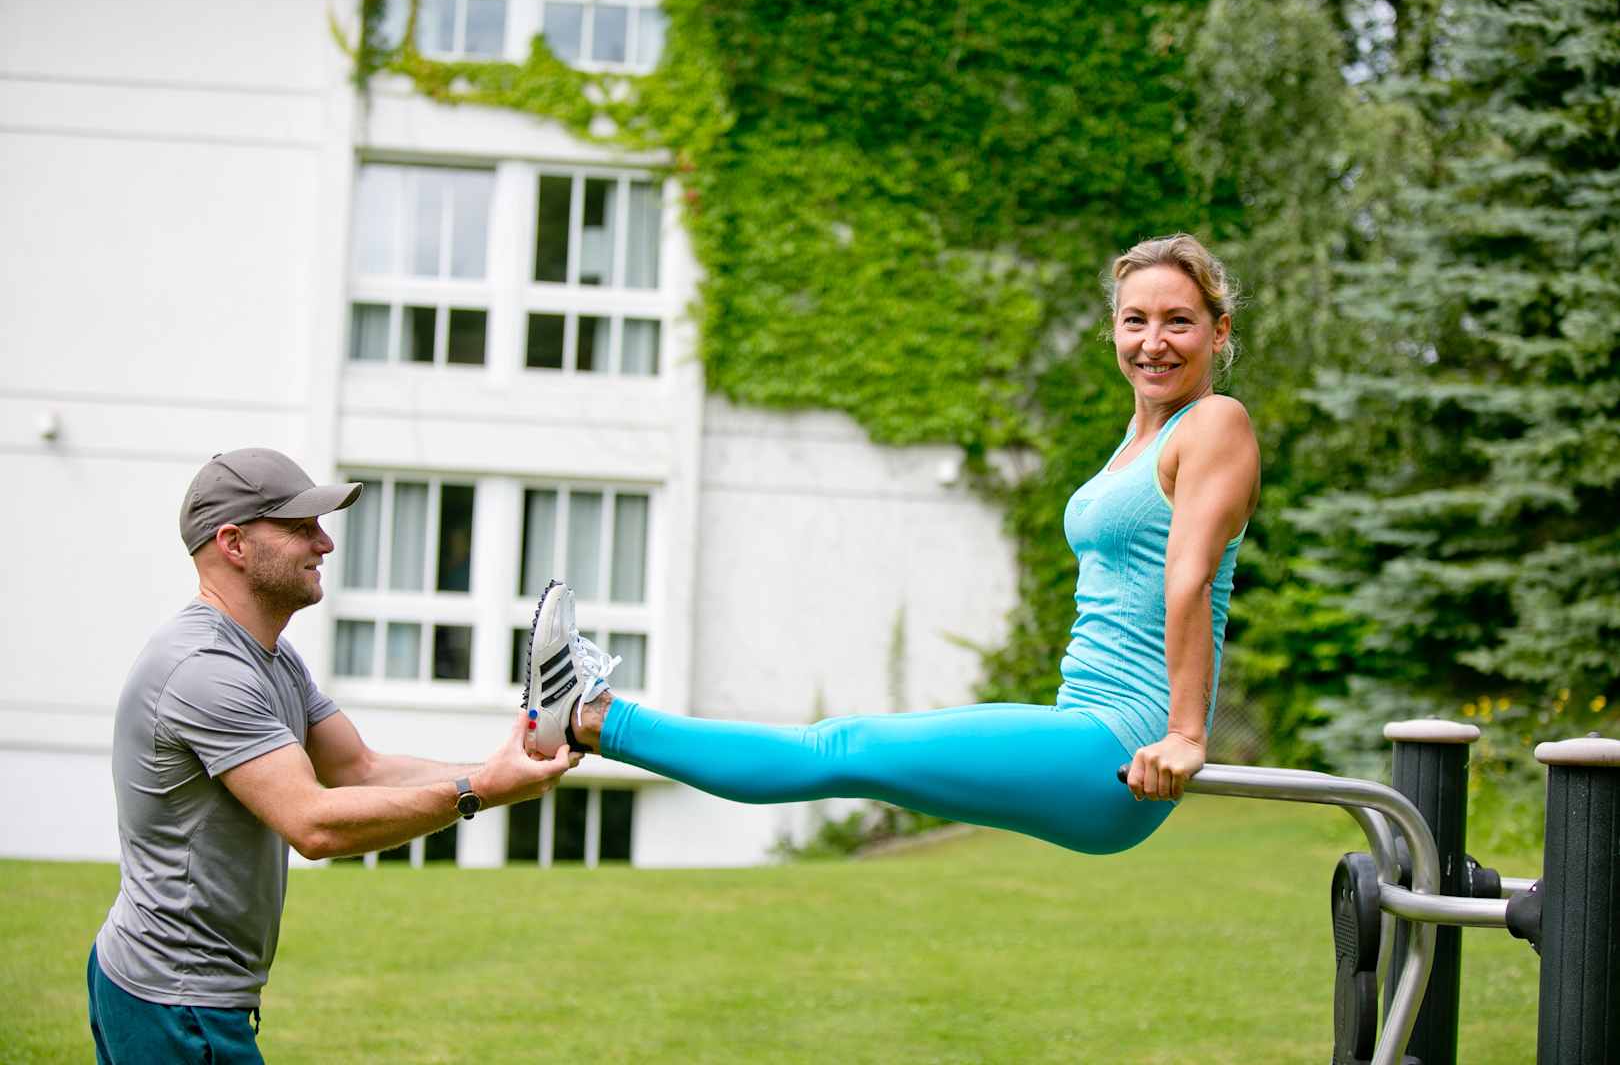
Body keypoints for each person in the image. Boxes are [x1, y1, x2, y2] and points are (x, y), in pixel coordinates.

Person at [524, 233, 1260, 855]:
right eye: (1135, 321)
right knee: (844, 750)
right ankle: (589, 718)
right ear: (1115, 330)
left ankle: (594, 717)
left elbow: (1189, 579)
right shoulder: (1140, 438)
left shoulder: (1215, 423)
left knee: (842, 749)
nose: (1153, 342)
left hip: (1123, 748)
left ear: (1219, 332)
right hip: (1085, 727)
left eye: (1179, 322)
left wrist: (1186, 736)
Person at [88, 448, 578, 1065]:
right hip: (173, 999)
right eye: (301, 528)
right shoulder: (203, 669)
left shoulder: (270, 655)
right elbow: (314, 825)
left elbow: (359, 770)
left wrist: (506, 763)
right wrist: (477, 790)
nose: (326, 543)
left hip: (185, 993)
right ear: (233, 544)